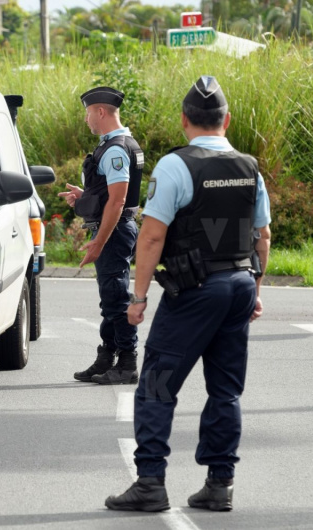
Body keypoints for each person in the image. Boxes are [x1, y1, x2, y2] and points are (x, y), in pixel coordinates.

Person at [103, 76, 272, 512]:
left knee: (156, 386)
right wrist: (253, 289)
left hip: (195, 291)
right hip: (237, 285)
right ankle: (219, 484)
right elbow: (262, 236)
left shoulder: (176, 166)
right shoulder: (249, 167)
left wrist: (137, 299)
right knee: (225, 390)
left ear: (184, 120)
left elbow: (152, 238)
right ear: (226, 120)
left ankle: (150, 484)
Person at [59, 87, 145, 385]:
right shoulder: (118, 145)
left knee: (116, 298)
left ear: (100, 112)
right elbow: (112, 193)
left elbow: (118, 201)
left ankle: (127, 362)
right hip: (117, 227)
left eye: (87, 113)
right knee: (110, 298)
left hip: (115, 230)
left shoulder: (116, 149)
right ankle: (107, 357)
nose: (86, 119)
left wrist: (99, 242)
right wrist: (86, 196)